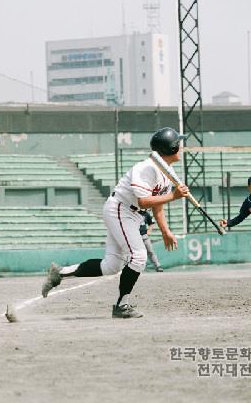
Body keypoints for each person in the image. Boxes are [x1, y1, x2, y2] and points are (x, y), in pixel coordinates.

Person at [41, 127, 190, 318]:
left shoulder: (166, 172)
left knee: (111, 266)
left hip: (131, 214)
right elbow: (144, 201)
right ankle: (121, 306)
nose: (182, 147)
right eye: (179, 144)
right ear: (171, 149)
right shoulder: (146, 168)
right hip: (120, 209)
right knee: (138, 257)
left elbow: (157, 206)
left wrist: (165, 231)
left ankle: (60, 272)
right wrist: (174, 196)